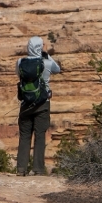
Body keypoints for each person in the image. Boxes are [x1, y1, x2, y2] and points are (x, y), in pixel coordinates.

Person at [15, 36, 60, 176]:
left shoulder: (20, 62)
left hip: (25, 103)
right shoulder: (46, 62)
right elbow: (57, 69)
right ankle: (38, 169)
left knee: (24, 136)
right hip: (42, 103)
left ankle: (21, 168)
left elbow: (19, 76)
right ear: (40, 47)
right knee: (40, 135)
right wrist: (47, 55)